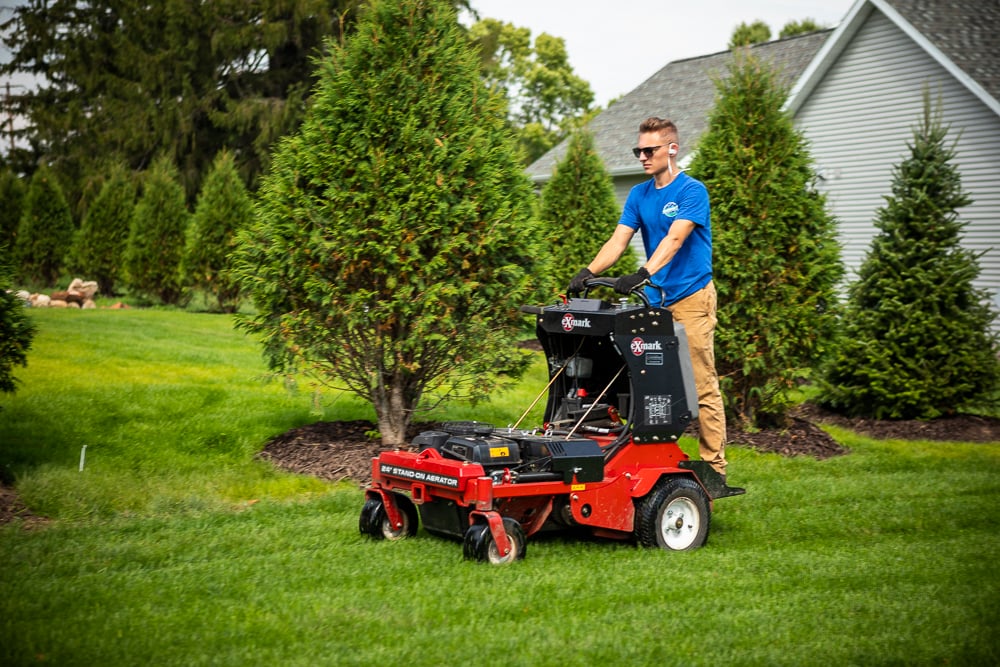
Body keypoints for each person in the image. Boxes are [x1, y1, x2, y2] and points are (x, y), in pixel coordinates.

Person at [567, 116, 727, 480]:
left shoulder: (691, 191)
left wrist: (643, 273)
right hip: (655, 299)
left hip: (691, 296)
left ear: (672, 149)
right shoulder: (639, 194)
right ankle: (646, 456)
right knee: (645, 377)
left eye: (649, 149)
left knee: (701, 385)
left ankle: (714, 468)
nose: (642, 156)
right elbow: (618, 240)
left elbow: (674, 239)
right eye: (638, 150)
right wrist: (589, 272)